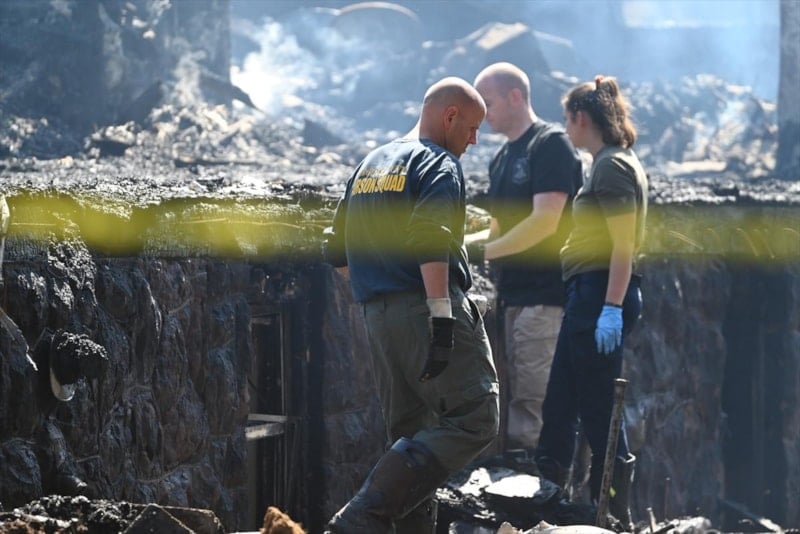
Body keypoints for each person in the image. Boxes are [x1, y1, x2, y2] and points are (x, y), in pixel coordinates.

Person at [322, 76, 500, 534]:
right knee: (476, 417)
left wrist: (383, 287)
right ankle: (363, 515)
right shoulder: (438, 163)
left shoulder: (370, 165)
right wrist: (440, 315)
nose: (474, 141)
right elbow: (429, 238)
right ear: (450, 116)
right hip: (427, 308)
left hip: (379, 318)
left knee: (410, 435)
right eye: (472, 128)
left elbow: (336, 254)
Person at [533, 75, 648, 530]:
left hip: (600, 293)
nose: (566, 129)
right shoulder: (608, 162)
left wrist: (611, 307)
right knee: (562, 397)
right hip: (589, 294)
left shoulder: (612, 166)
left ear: (582, 118)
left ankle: (613, 510)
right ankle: (549, 496)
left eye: (567, 120)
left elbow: (622, 244)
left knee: (598, 406)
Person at [465, 62, 583, 457]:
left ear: (515, 97)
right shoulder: (501, 158)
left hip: (545, 297)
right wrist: (459, 245)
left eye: (488, 102)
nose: (483, 113)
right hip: (513, 296)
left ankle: (539, 480)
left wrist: (484, 251)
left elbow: (546, 221)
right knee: (518, 394)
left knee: (535, 399)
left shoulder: (550, 145)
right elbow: (498, 227)